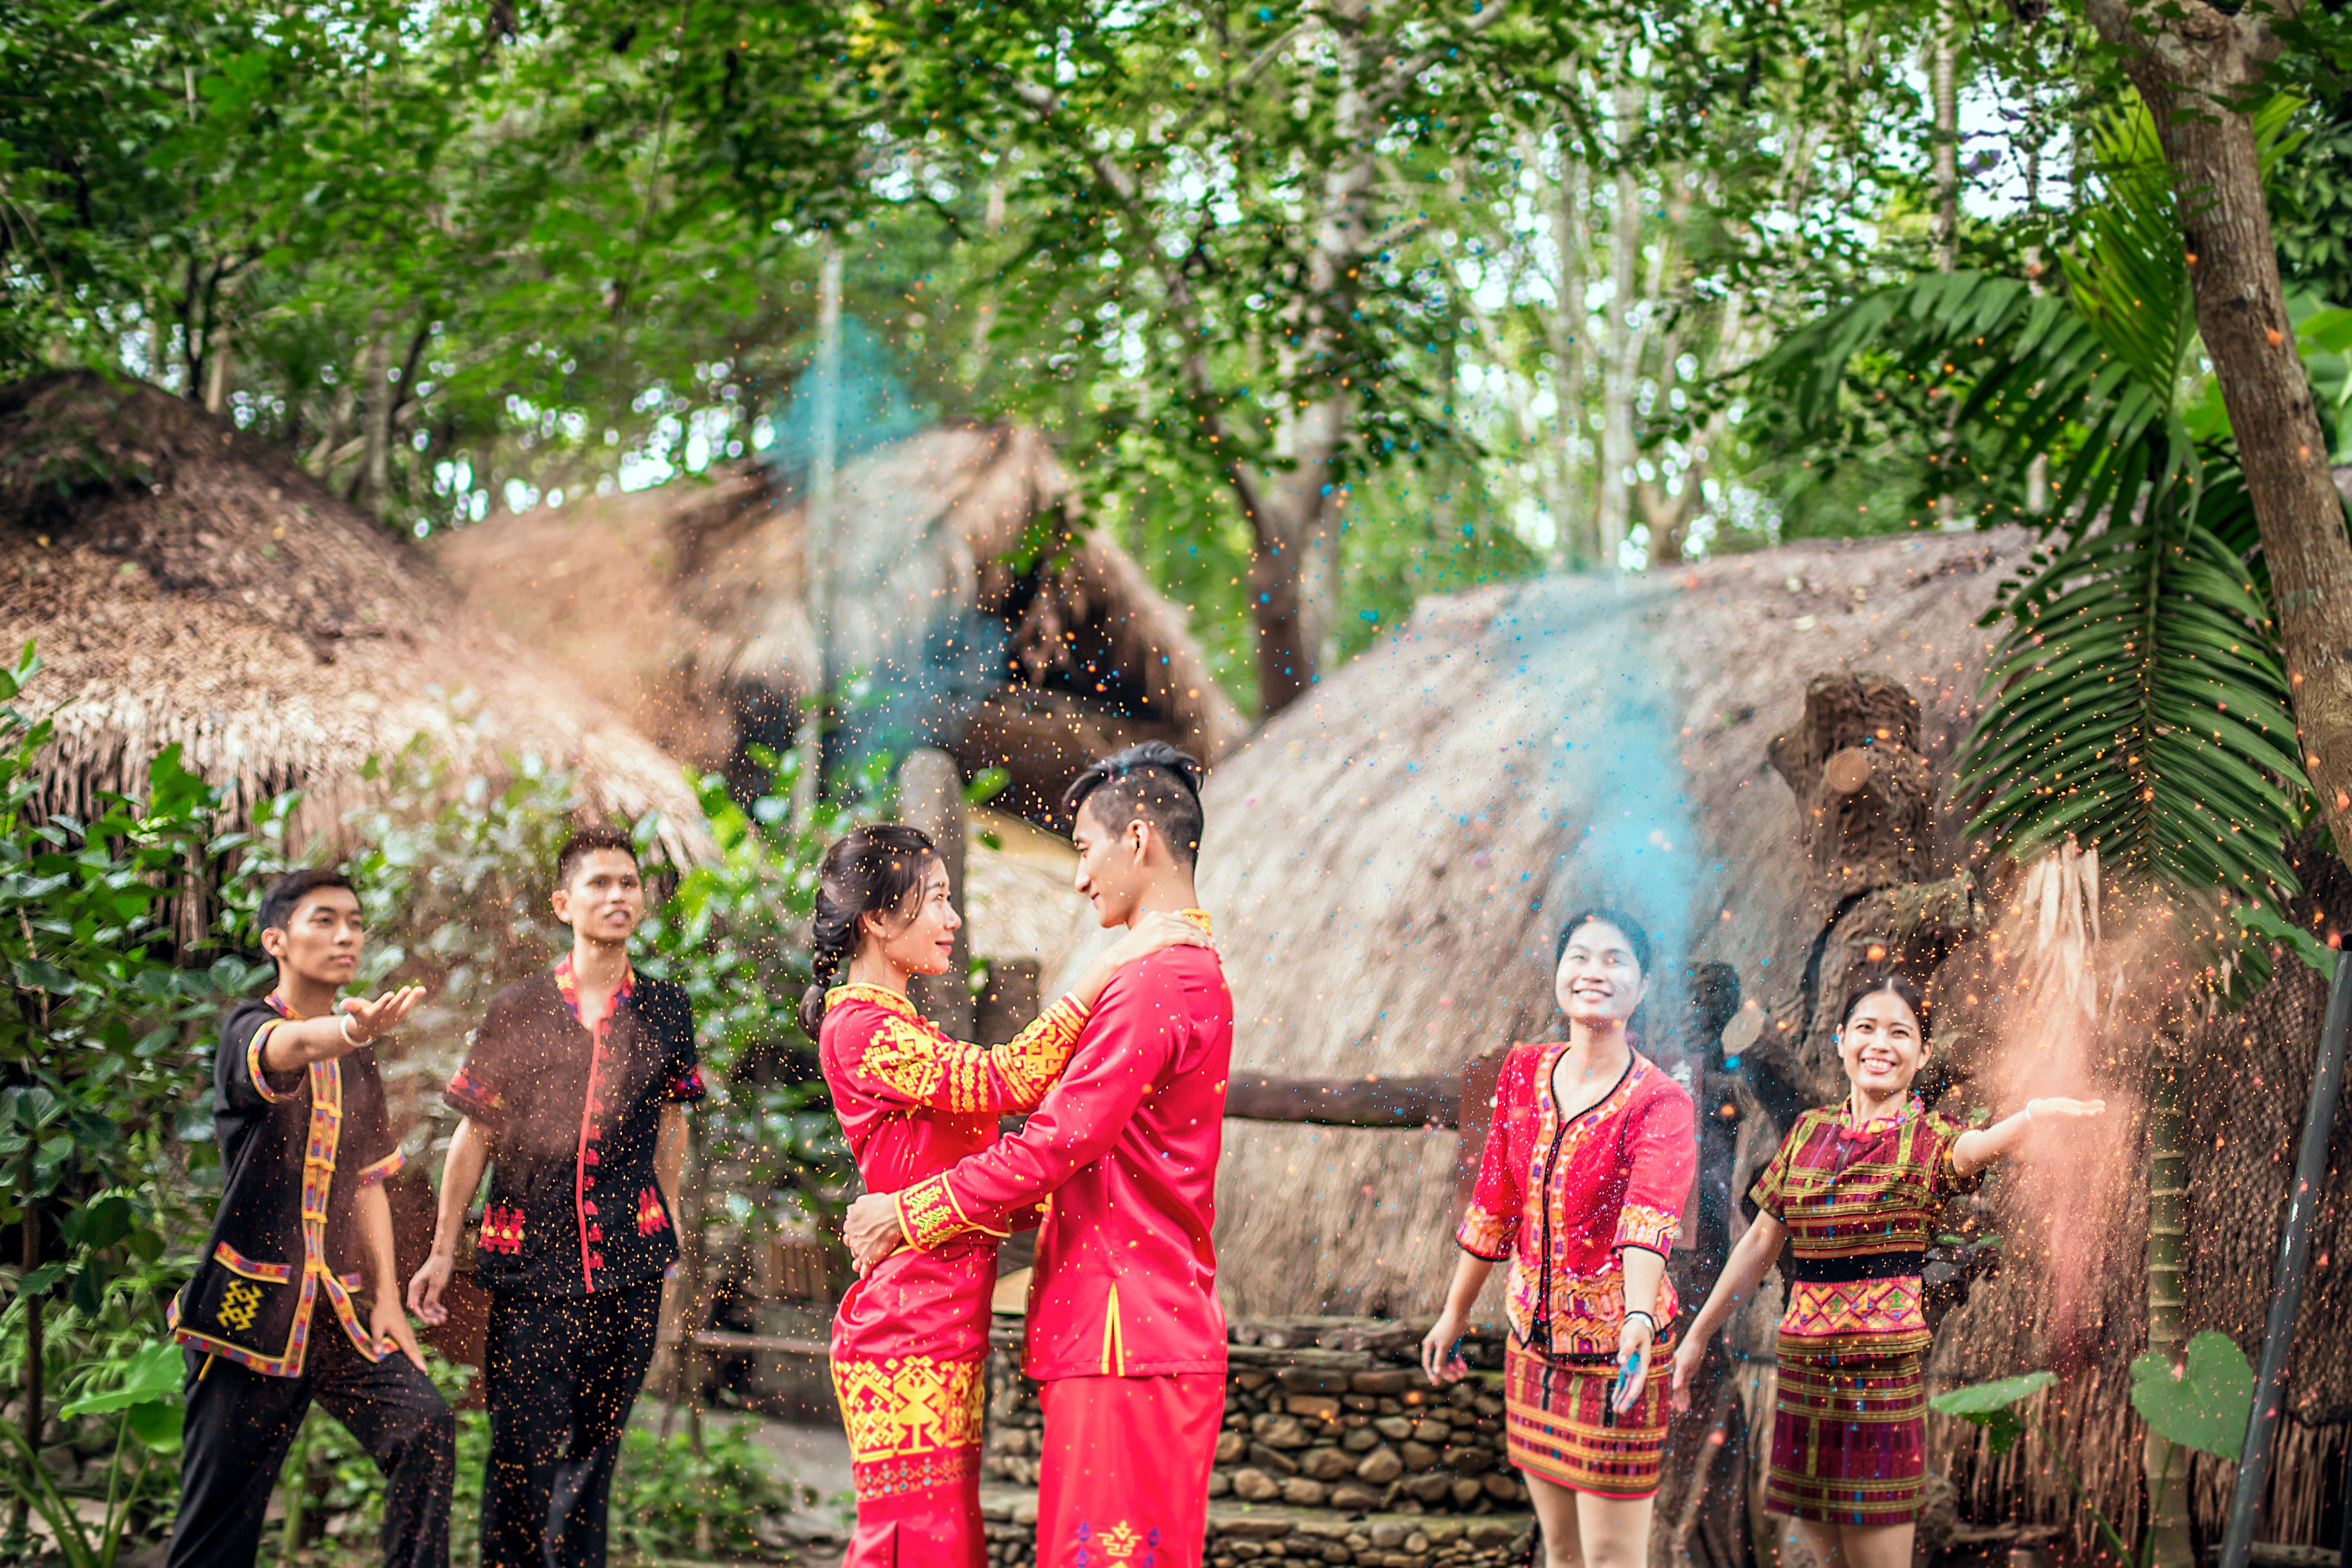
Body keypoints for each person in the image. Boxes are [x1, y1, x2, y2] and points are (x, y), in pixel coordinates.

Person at [842, 742, 1233, 1568]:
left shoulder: (1156, 979)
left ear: (1138, 840)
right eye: (936, 901)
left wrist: (906, 1212)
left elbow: (1053, 1139)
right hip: (1096, 1319)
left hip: (1123, 1322)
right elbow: (1034, 1113)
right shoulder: (868, 1025)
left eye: (1085, 849)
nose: (1080, 877)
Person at [1668, 973, 2106, 1568]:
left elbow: (1972, 1150)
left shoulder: (1928, 1139)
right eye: (1867, 1028)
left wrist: (2029, 1117)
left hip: (1881, 1383)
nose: (1881, 1044)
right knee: (1821, 1556)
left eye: (1900, 1033)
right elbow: (1759, 1246)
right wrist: (1697, 1337)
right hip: (1805, 1375)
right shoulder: (1808, 1134)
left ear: (1923, 1054)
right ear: (1841, 1039)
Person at [406, 826, 703, 1568]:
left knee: (597, 1454)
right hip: (531, 1270)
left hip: (630, 1269)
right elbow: (474, 1135)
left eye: (628, 883)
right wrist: (443, 1251)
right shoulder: (519, 1008)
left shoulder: (668, 1009)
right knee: (520, 1452)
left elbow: (672, 1126)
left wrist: (666, 1228)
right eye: (600, 883)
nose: (618, 896)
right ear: (563, 903)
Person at [166, 868, 448, 1568]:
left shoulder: (358, 1059)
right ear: (277, 942)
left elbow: (369, 1181)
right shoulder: (247, 1030)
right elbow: (286, 1048)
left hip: (336, 1312)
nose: (346, 935)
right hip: (247, 1313)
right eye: (324, 920)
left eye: (355, 922)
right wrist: (348, 1028)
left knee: (424, 1427)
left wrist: (388, 1298)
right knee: (216, 1529)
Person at [1419, 909, 1697, 1568]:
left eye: (1615, 960)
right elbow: (1495, 1204)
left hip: (1620, 1358)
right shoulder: (1522, 1072)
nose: (1594, 972)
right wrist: (1455, 1312)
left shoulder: (1660, 1101)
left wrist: (1638, 1317)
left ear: (1643, 986)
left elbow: (1648, 1219)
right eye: (1580, 956)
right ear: (1558, 973)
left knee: (1611, 1559)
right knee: (1562, 1553)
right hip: (1532, 1352)